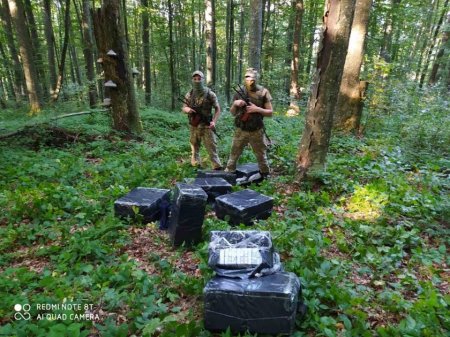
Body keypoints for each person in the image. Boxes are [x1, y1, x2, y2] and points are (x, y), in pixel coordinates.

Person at [225, 68, 273, 180]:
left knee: (261, 154)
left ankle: (265, 175)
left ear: (256, 78)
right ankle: (229, 173)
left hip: (256, 129)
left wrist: (257, 109)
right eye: (247, 77)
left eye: (252, 77)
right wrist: (235, 104)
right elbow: (232, 113)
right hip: (241, 129)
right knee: (234, 152)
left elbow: (270, 113)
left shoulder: (263, 92)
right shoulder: (239, 91)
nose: (249, 79)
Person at [182, 71, 223, 170]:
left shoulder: (210, 94)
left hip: (206, 125)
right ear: (192, 80)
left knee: (211, 147)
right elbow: (184, 107)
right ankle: (195, 165)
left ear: (203, 80)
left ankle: (217, 167)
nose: (197, 81)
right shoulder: (189, 94)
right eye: (195, 79)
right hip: (194, 124)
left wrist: (214, 121)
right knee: (194, 145)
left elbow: (217, 109)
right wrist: (187, 110)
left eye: (199, 79)